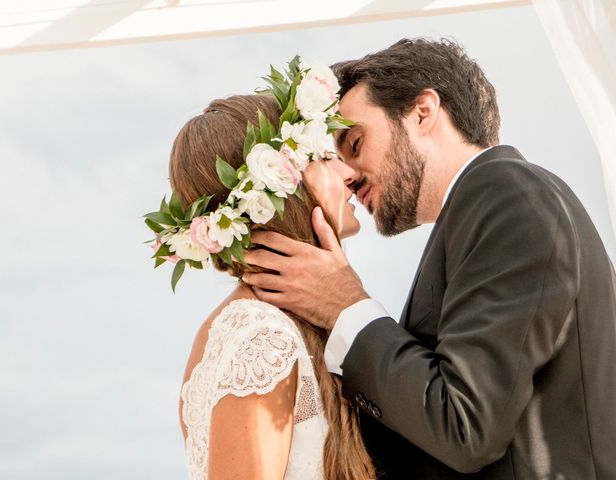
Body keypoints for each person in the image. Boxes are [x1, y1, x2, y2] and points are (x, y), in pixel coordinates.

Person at [242, 38, 616, 479]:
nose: (348, 173)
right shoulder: (477, 212)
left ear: (423, 111)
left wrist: (346, 305)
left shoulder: (508, 195)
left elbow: (465, 427)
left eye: (356, 143)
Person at [168, 94, 376, 479]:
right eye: (320, 156)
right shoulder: (261, 335)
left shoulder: (261, 323)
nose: (347, 173)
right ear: (280, 184)